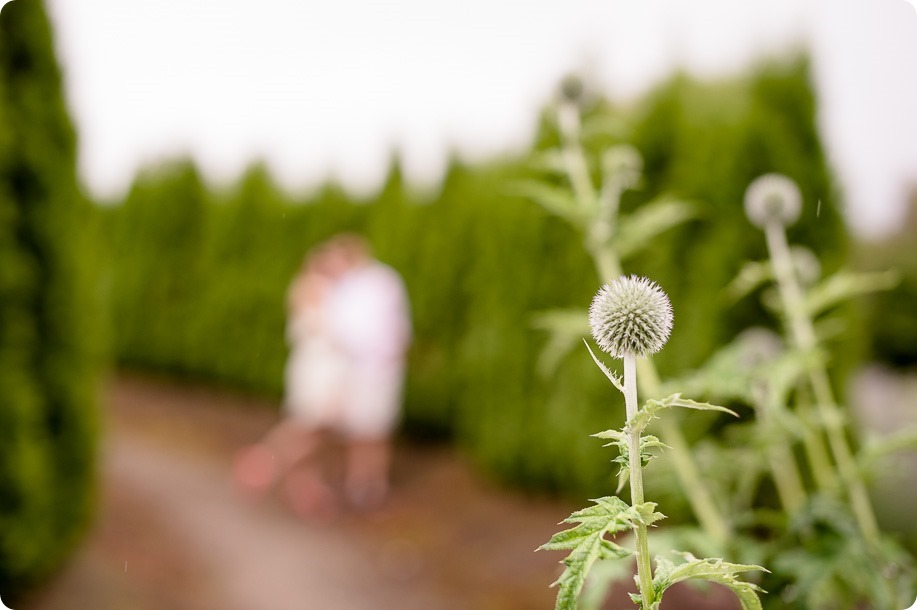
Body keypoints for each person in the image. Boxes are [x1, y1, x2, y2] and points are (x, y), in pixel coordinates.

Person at [233, 234, 411, 519]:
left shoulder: (335, 292)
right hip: (320, 374)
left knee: (316, 434)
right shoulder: (317, 292)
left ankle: (301, 486)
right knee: (310, 430)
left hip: (328, 373)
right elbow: (333, 335)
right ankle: (264, 463)